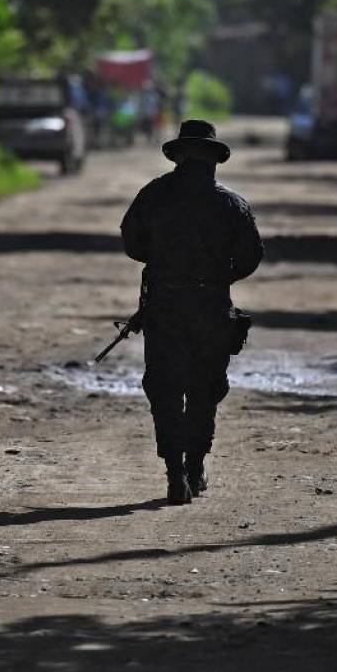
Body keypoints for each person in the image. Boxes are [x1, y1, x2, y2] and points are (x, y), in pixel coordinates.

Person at [120, 120, 264, 504]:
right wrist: (219, 277)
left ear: (179, 156)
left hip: (165, 306)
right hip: (212, 307)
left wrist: (166, 262)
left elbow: (133, 244)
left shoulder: (152, 195)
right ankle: (195, 467)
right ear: (213, 161)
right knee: (204, 389)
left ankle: (175, 474)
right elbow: (251, 257)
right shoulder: (231, 203)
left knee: (165, 388)